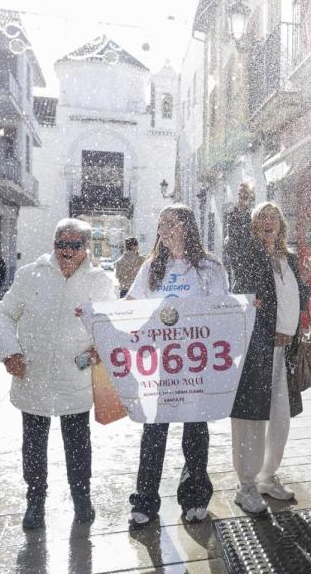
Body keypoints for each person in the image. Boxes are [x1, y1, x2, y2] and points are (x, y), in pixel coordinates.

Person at [0, 219, 116, 529]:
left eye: (75, 245)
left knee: (78, 445)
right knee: (33, 445)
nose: (67, 251)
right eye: (62, 244)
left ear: (86, 248)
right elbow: (4, 314)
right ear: (54, 244)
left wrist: (101, 346)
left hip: (75, 376)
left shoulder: (99, 281)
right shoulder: (30, 275)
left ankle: (82, 498)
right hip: (32, 375)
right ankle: (35, 500)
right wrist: (10, 351)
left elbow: (111, 324)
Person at [125, 204, 229, 527]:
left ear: (187, 226)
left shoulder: (209, 268)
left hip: (195, 366)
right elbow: (131, 304)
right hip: (160, 366)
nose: (163, 228)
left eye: (170, 222)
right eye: (160, 223)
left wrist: (243, 310)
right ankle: (144, 501)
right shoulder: (151, 267)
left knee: (195, 434)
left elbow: (222, 310)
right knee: (153, 434)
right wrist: (102, 317)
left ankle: (195, 497)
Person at [225, 202, 310, 514]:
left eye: (274, 216)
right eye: (261, 217)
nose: (268, 221)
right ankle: (245, 485)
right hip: (256, 348)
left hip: (284, 349)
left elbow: (299, 293)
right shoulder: (246, 253)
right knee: (250, 417)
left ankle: (267, 476)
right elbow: (243, 291)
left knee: (280, 416)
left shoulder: (290, 258)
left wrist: (301, 313)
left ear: (282, 223)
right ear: (252, 224)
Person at [223, 182, 255, 270]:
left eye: (246, 193)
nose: (244, 195)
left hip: (249, 256)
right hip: (235, 255)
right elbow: (230, 235)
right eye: (241, 192)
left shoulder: (253, 214)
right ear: (238, 194)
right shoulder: (231, 212)